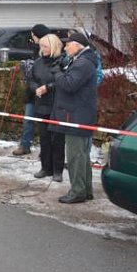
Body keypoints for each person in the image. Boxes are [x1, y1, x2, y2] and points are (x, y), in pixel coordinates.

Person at [50, 31, 99, 204]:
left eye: (68, 44)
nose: (65, 47)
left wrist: (57, 73)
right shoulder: (82, 61)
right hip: (78, 114)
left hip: (76, 116)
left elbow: (69, 84)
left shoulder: (83, 63)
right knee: (82, 155)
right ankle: (85, 190)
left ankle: (78, 191)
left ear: (77, 45)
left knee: (75, 156)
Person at [29, 34, 65, 182]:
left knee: (57, 140)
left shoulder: (62, 62)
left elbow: (63, 81)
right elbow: (30, 79)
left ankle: (58, 170)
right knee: (44, 139)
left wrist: (48, 88)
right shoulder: (37, 63)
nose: (42, 49)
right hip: (41, 105)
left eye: (45, 46)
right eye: (41, 46)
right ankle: (45, 167)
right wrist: (35, 88)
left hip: (57, 105)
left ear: (54, 46)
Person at [13, 24, 51, 157]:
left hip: (46, 94)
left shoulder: (50, 51)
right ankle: (25, 145)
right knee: (28, 119)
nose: (32, 38)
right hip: (32, 92)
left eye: (33, 35)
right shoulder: (34, 49)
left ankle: (46, 149)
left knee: (44, 123)